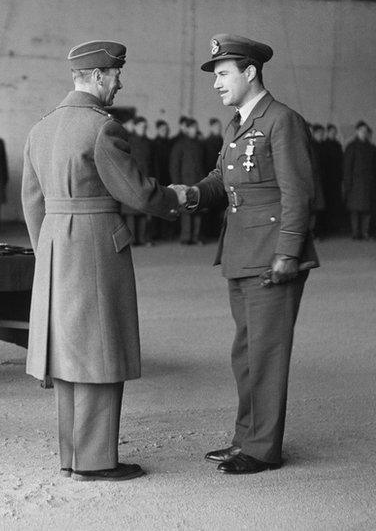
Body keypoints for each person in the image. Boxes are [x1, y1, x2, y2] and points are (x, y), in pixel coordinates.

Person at [22, 40, 182, 482]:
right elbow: (136, 191)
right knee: (100, 352)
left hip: (55, 246)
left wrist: (49, 251)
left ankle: (72, 457)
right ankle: (95, 462)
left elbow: (31, 203)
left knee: (69, 356)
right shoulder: (102, 128)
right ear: (95, 77)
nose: (119, 82)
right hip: (95, 244)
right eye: (114, 75)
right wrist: (179, 200)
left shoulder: (41, 128)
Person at [176, 34, 318, 474]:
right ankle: (246, 438)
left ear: (250, 72)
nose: (216, 84)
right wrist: (190, 195)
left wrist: (288, 254)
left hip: (271, 255)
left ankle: (262, 449)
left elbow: (299, 193)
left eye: (222, 74)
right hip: (240, 251)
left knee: (267, 354)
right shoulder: (237, 124)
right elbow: (222, 179)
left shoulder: (281, 121)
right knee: (246, 353)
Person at [169, 117, 206, 245]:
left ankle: (196, 236)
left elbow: (203, 164)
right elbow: (174, 165)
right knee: (186, 210)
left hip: (198, 181)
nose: (196, 130)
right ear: (188, 129)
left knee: (198, 209)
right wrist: (177, 183)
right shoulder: (179, 145)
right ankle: (186, 237)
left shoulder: (199, 144)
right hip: (184, 181)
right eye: (194, 128)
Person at [342, 121, 376, 240]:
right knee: (355, 211)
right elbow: (347, 168)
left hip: (368, 184)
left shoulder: (370, 147)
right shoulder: (351, 147)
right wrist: (348, 185)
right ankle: (356, 233)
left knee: (367, 210)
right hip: (355, 184)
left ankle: (365, 232)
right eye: (362, 131)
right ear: (357, 131)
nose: (364, 133)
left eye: (366, 131)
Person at [122, 116, 153, 245]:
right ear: (135, 127)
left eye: (145, 127)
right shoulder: (127, 142)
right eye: (141, 126)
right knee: (131, 213)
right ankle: (133, 239)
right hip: (131, 180)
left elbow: (153, 163)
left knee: (144, 211)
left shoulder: (148, 143)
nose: (143, 129)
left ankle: (143, 238)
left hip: (146, 179)